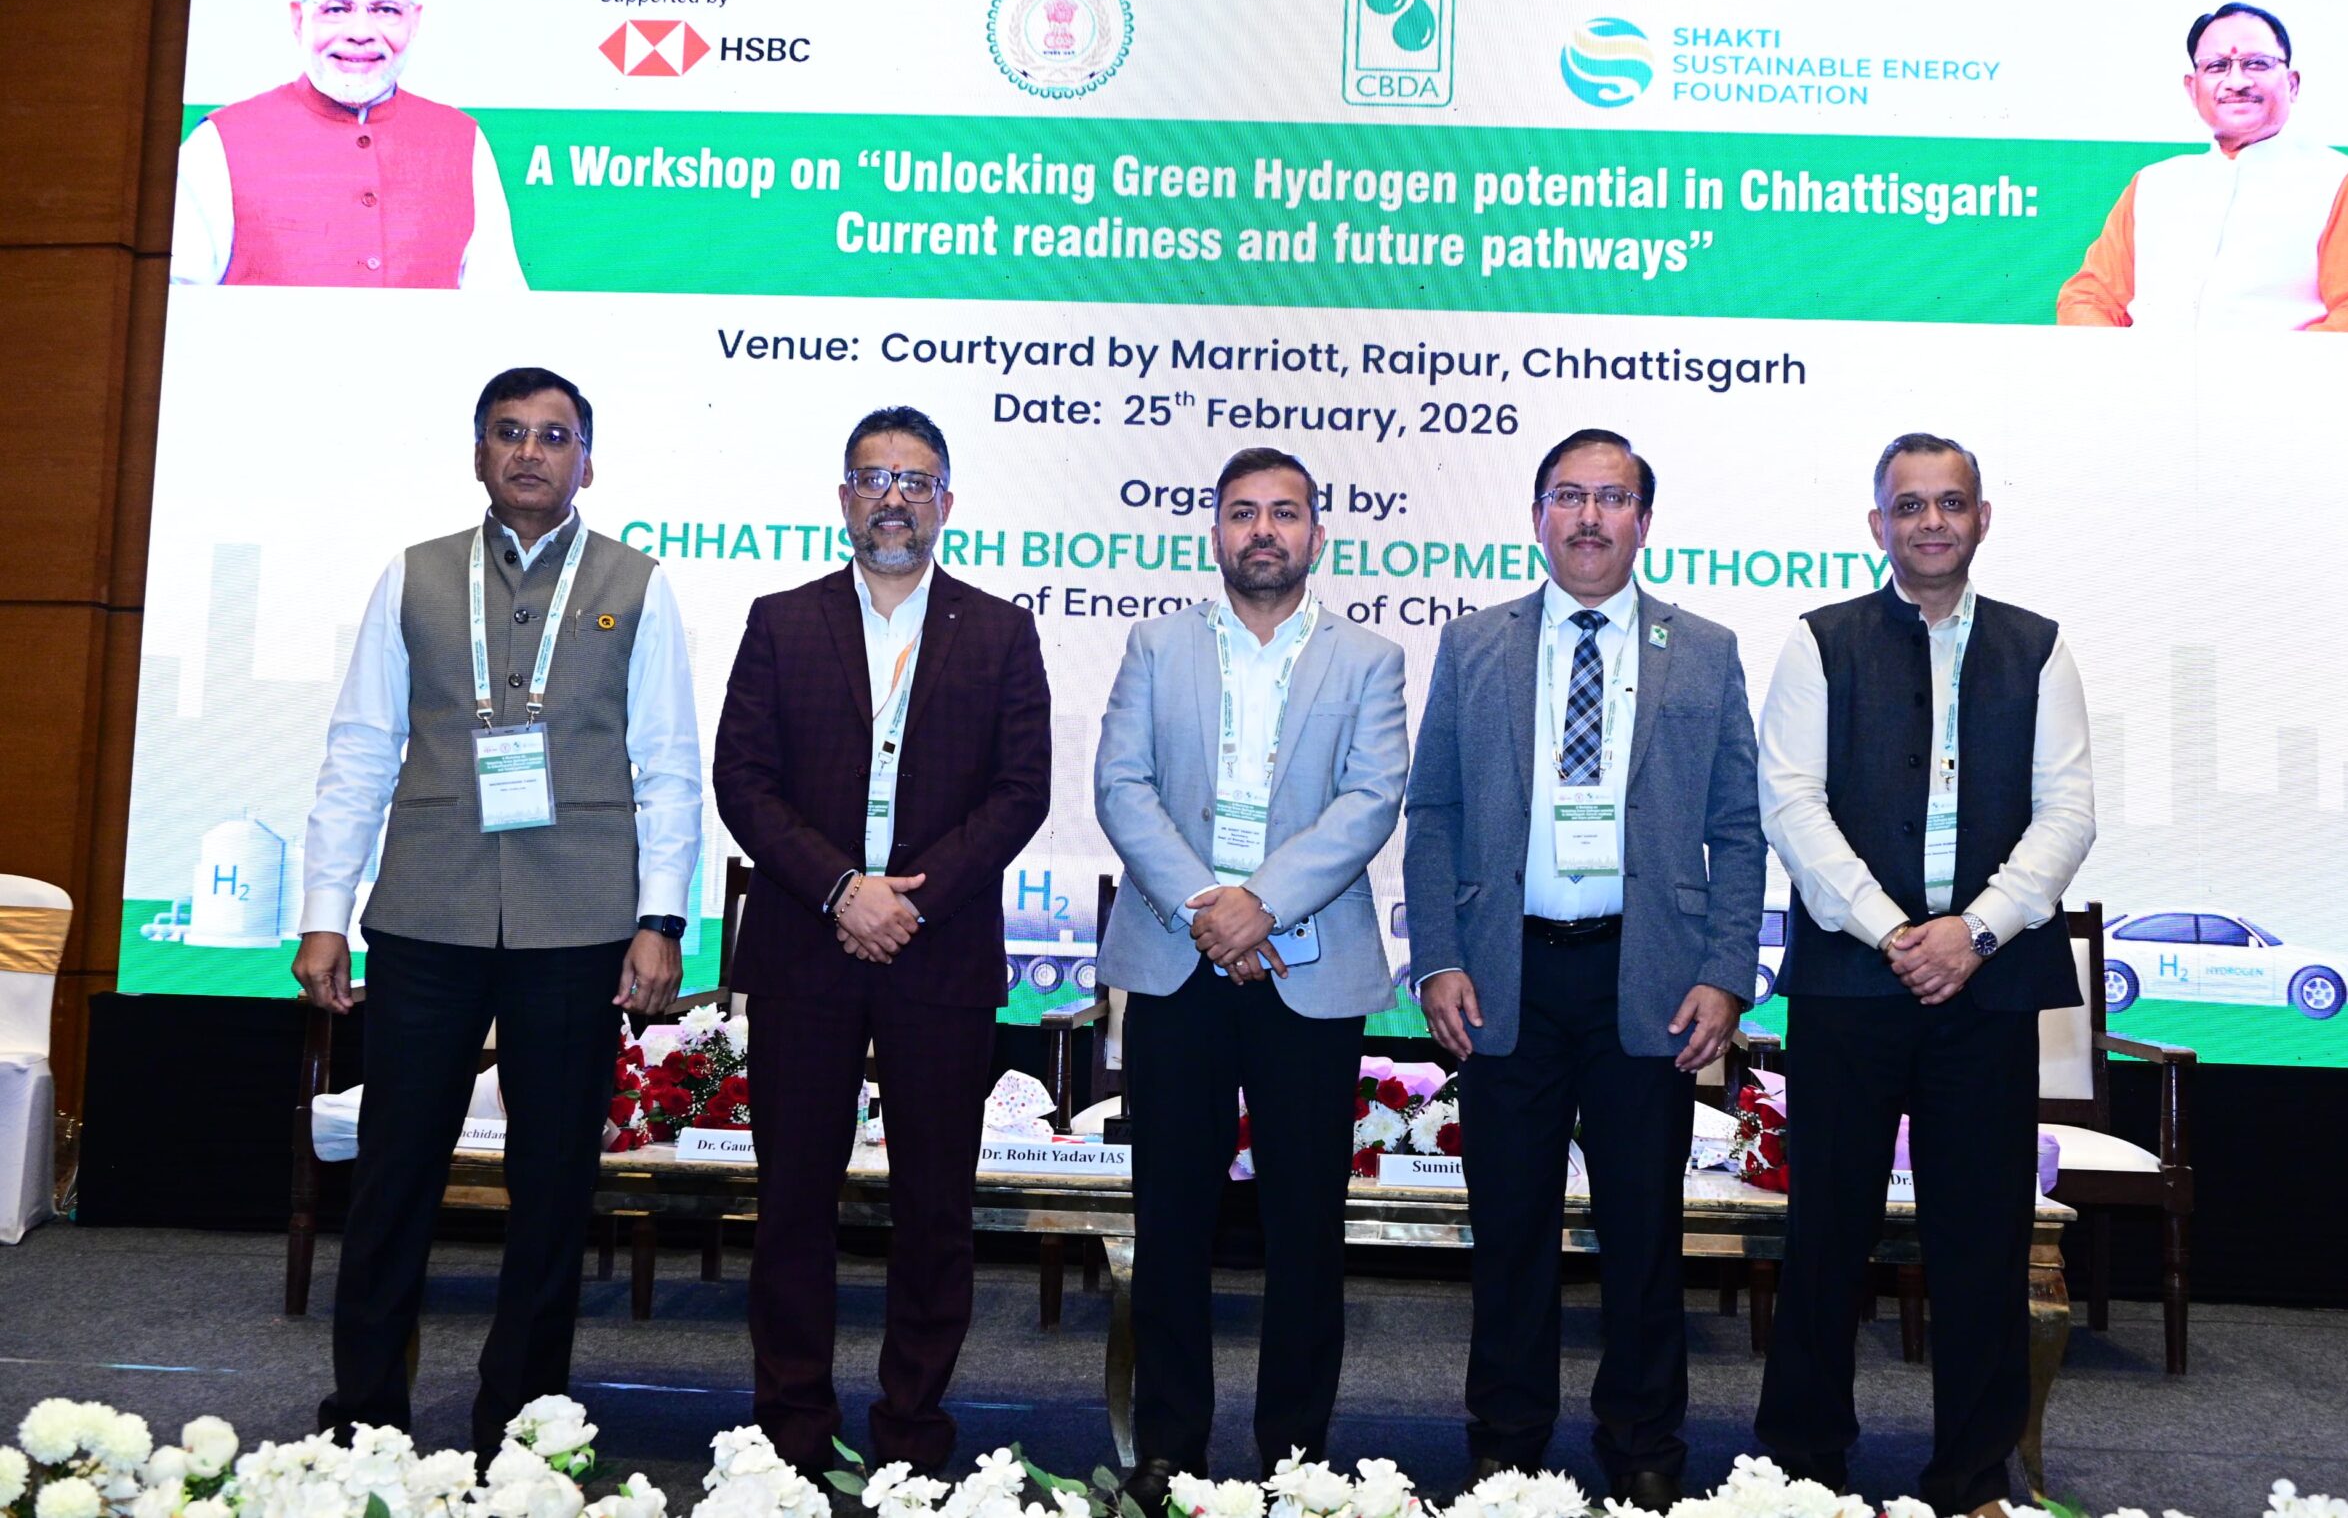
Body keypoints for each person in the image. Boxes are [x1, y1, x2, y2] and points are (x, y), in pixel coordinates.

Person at [292, 366, 701, 1454]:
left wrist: (662, 917)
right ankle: (364, 1414)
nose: (530, 451)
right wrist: (325, 909)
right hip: (426, 912)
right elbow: (360, 748)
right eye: (509, 432)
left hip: (580, 923)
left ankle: (522, 1421)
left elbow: (668, 762)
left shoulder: (638, 584)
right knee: (395, 1176)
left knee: (553, 1184)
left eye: (554, 436)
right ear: (479, 453)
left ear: (586, 463)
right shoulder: (414, 574)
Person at [1403, 428, 1764, 1512]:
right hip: (1505, 972)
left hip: (1649, 978)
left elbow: (1738, 827)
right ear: (1537, 516)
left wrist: (1726, 971)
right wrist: (1437, 958)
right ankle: (1506, 1442)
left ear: (1643, 521)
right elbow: (1434, 813)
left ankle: (1644, 1442)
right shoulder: (1475, 644)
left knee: (1644, 1233)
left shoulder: (1704, 649)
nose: (1589, 517)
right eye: (1568, 495)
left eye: (1611, 498)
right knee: (1510, 1230)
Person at [1753, 432, 2097, 1512]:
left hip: (1987, 988)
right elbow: (1789, 803)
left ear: (1982, 518)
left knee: (1982, 1237)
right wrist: (1893, 930)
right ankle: (1803, 1467)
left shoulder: (2038, 648)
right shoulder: (1820, 642)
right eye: (1910, 505)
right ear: (1878, 525)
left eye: (1951, 503)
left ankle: (1971, 1475)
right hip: (1850, 987)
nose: (1931, 521)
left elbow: (2068, 811)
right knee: (1826, 1233)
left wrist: (1974, 932)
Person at [713, 405, 1051, 1477]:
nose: (893, 497)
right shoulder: (781, 620)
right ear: (843, 498)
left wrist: (912, 899)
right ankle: (791, 1425)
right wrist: (840, 890)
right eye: (873, 477)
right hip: (805, 948)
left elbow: (1021, 791)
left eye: (914, 480)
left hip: (937, 952)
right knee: (792, 1202)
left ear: (946, 502)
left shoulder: (999, 630)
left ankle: (912, 1427)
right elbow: (742, 780)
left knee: (935, 1206)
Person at [1092, 447, 1409, 1504]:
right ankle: (1169, 1447)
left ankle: (1294, 1458)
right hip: (1176, 959)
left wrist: (1260, 901)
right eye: (1242, 513)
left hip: (1306, 967)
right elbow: (1121, 785)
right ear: (1216, 531)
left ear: (1317, 533)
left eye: (1283, 512)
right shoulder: (1156, 643)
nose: (1262, 530)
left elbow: (1370, 799)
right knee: (1171, 1218)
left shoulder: (1369, 658)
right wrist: (1208, 905)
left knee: (1305, 1227)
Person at [174, 0, 527, 289]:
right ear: (299, 20)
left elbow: (501, 309)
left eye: (385, 10)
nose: (360, 32)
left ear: (414, 22)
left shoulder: (463, 141)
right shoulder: (218, 143)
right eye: (337, 9)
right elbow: (172, 307)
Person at [2057, 1, 2348, 332]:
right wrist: (2121, 361)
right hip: (2146, 366)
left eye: (2257, 63)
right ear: (2192, 88)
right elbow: (2089, 298)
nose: (2237, 81)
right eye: (2217, 66)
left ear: (2292, 84)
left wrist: (2268, 363)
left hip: (2280, 367)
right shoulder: (2154, 184)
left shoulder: (2338, 181)